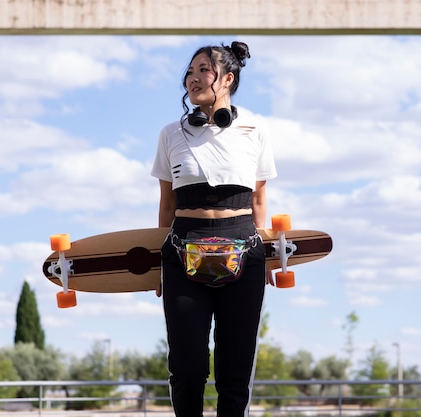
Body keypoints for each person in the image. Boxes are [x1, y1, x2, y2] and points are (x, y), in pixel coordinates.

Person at [150, 41, 277, 417]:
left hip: (245, 253)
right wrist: (158, 265)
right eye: (189, 71)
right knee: (187, 368)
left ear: (227, 79)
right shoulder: (171, 134)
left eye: (203, 70)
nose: (193, 78)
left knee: (236, 370)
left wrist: (267, 260)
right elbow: (167, 205)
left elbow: (258, 202)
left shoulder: (256, 130)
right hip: (181, 253)